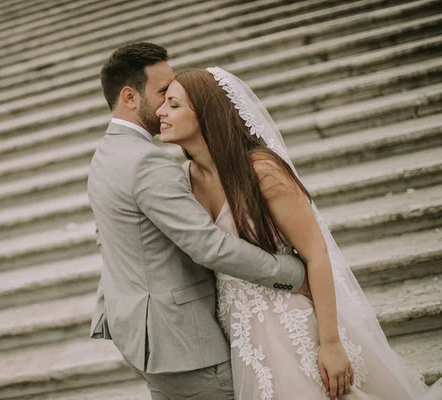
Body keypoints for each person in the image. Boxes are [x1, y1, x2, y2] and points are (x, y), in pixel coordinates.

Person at [156, 66, 442, 400]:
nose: (161, 111)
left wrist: (331, 342)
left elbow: (316, 254)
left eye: (174, 105)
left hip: (293, 322)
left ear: (207, 114)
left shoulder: (262, 171)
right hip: (241, 333)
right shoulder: (183, 179)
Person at [88, 43, 310, 400]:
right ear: (129, 96)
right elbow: (208, 245)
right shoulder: (148, 162)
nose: (168, 102)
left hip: (141, 334)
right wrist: (293, 274)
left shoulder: (106, 154)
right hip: (182, 342)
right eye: (163, 92)